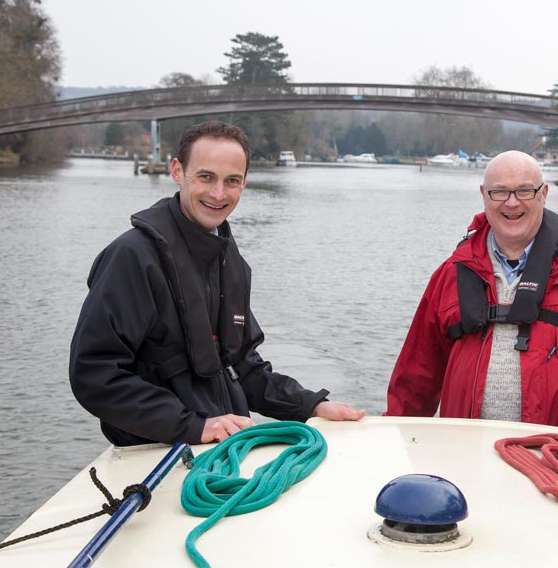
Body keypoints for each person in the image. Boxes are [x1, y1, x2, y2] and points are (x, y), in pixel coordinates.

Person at [70, 121, 364, 446]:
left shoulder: (231, 261)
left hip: (225, 448)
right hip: (156, 453)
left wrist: (312, 405)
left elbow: (244, 368)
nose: (218, 194)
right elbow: (94, 374)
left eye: (232, 181)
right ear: (177, 171)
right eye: (206, 177)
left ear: (244, 183)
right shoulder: (132, 257)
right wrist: (194, 426)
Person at [386, 150, 558, 441]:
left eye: (524, 191)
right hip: (463, 456)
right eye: (499, 191)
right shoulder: (451, 274)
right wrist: (398, 442)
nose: (512, 202)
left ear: (544, 194)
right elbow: (415, 377)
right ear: (483, 195)